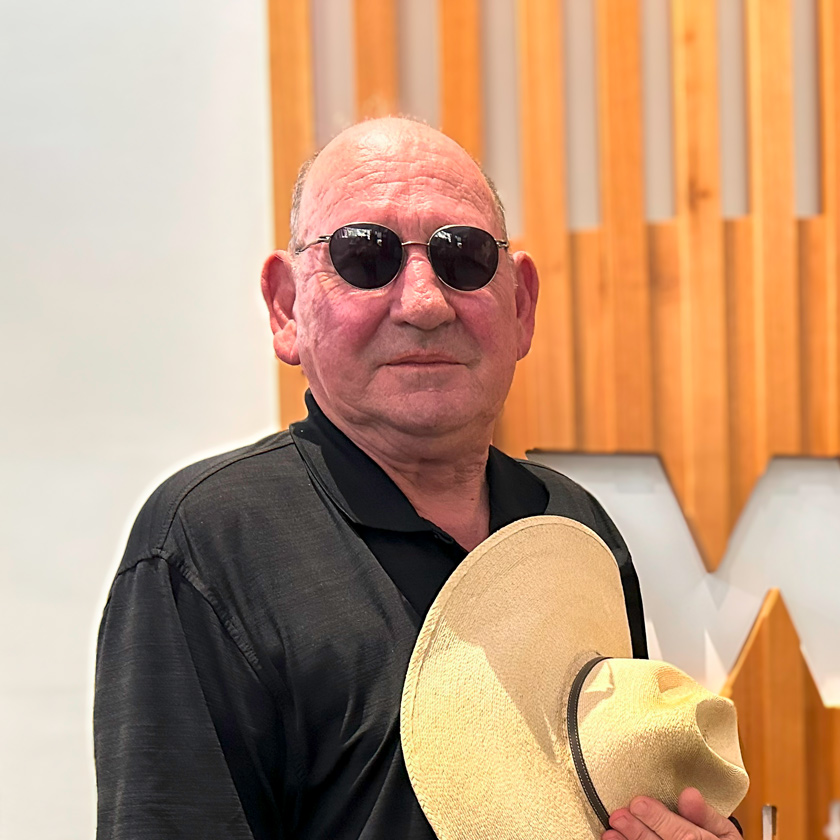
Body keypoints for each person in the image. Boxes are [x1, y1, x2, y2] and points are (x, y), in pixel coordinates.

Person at [94, 117, 740, 840]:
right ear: (285, 306)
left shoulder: (570, 525)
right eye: (364, 257)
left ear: (521, 306)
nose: (425, 303)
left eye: (463, 256)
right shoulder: (210, 543)